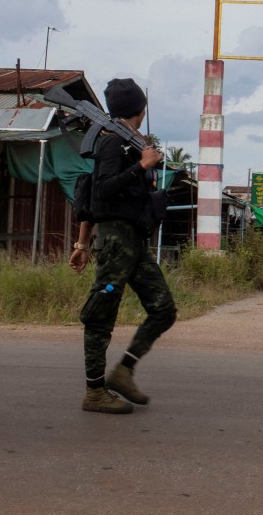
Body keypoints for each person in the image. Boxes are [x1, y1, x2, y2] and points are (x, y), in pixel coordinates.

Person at [68, 78, 177, 414]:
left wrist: (82, 243)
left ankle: (124, 371)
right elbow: (100, 192)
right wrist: (141, 167)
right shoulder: (113, 143)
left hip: (133, 242)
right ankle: (94, 391)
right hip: (115, 241)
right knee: (101, 314)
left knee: (163, 309)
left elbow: (92, 194)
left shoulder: (129, 144)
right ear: (141, 110)